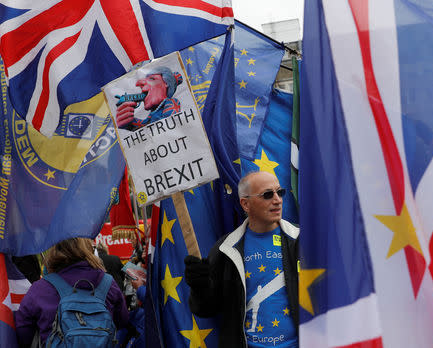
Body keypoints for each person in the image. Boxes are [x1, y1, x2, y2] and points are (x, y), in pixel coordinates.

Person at [184, 171, 299, 347]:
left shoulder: (302, 241)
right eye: (268, 194)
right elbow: (205, 309)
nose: (277, 200)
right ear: (245, 204)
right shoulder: (226, 248)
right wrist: (199, 288)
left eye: (279, 192)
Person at [15, 238, 129, 347]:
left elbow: (23, 333)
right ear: (88, 248)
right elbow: (122, 321)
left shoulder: (40, 289)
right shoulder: (108, 284)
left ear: (54, 250)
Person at [116, 66, 183, 131]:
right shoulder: (153, 113)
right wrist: (129, 123)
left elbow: (171, 125)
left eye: (152, 79)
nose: (138, 84)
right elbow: (146, 125)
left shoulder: (171, 103)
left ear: (166, 83)